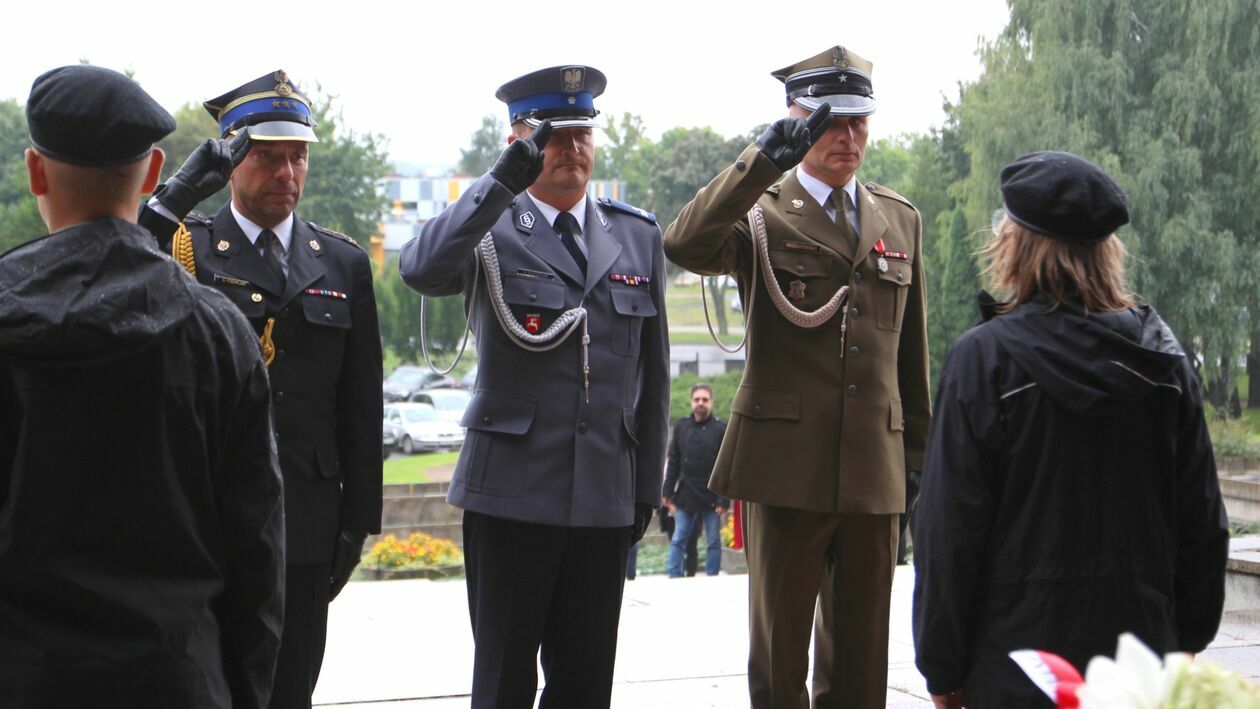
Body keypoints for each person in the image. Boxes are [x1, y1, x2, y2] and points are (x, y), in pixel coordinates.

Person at [0, 65, 284, 708]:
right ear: (154, 171)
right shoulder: (219, 334)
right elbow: (257, 551)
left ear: (35, 172)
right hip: (176, 680)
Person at [663, 45, 931, 708]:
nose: (848, 136)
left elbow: (910, 358)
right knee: (779, 664)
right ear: (796, 117)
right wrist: (761, 159)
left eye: (859, 121)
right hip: (784, 469)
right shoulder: (761, 210)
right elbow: (684, 243)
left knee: (862, 672)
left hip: (874, 472)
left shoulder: (899, 218)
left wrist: (917, 466)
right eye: (830, 121)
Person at [911, 151, 1229, 708]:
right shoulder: (1163, 363)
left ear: (1014, 245)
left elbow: (948, 532)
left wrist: (942, 668)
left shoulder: (984, 362)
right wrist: (1186, 643)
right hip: (1141, 662)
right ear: (1108, 251)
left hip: (1016, 668)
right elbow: (1202, 524)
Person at [398, 65, 669, 709]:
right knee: (502, 685)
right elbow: (421, 268)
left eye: (581, 133)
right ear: (518, 138)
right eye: (553, 135)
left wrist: (642, 492)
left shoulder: (636, 236)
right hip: (511, 498)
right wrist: (498, 182)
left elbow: (653, 381)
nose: (571, 147)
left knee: (585, 687)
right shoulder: (489, 225)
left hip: (602, 497)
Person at [138, 70, 383, 709]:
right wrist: (171, 198)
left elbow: (360, 405)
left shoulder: (342, 262)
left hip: (307, 519)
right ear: (231, 160)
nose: (286, 172)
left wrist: (357, 523)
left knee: (292, 689)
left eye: (298, 156)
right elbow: (121, 261)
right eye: (268, 156)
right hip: (209, 519)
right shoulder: (188, 247)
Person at [662, 383, 729, 577]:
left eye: (705, 399)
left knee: (713, 541)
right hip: (686, 493)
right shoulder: (682, 427)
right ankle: (674, 576)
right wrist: (667, 493)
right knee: (678, 539)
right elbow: (673, 462)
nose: (701, 403)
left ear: (711, 402)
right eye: (697, 399)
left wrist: (724, 499)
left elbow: (726, 466)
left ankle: (712, 577)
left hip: (712, 494)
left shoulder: (720, 429)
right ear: (691, 402)